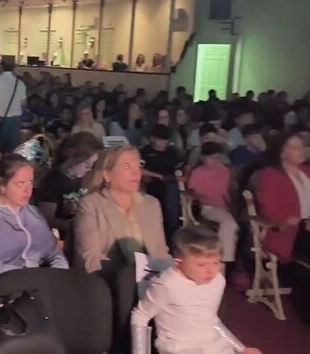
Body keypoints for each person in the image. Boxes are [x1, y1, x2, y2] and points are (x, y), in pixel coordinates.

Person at [131, 226, 260, 354]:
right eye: (201, 265)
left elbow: (211, 320)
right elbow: (140, 316)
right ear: (178, 263)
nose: (211, 271)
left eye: (216, 263)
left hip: (213, 345)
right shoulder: (167, 285)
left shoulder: (218, 280)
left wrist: (241, 348)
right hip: (179, 347)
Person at [74, 146, 170, 274]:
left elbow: (160, 253)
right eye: (127, 167)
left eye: (138, 167)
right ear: (107, 174)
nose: (135, 173)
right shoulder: (91, 204)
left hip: (151, 280)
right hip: (109, 280)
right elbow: (91, 259)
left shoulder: (151, 204)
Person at [0, 153, 69, 276]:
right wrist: (24, 275)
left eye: (30, 183)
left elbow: (53, 252)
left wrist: (59, 273)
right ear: (2, 186)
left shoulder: (33, 213)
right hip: (8, 281)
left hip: (41, 279)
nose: (28, 190)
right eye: (20, 184)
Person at [255, 132, 310, 263]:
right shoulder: (271, 176)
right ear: (282, 152)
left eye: (303, 147)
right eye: (296, 148)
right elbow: (270, 212)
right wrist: (300, 222)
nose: (302, 151)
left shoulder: (308, 171)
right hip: (289, 232)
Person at [186, 142, 239, 270]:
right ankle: (222, 262)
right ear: (203, 158)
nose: (215, 161)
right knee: (229, 224)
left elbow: (226, 193)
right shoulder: (198, 172)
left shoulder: (224, 171)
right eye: (211, 158)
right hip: (208, 207)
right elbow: (196, 195)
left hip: (224, 207)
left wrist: (231, 206)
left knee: (237, 224)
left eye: (217, 157)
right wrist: (212, 202)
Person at [0, 61, 26, 152]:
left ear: (1, 68)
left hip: (0, 117)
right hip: (16, 118)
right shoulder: (20, 83)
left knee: (0, 148)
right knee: (12, 148)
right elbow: (23, 103)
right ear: (14, 68)